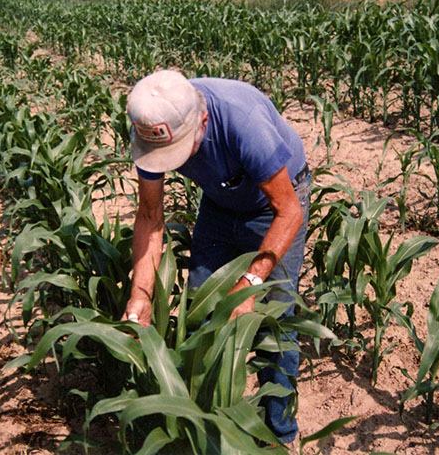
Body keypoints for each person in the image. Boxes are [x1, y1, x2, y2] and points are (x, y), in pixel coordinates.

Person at [122, 69, 310, 448]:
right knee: (201, 312)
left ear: (202, 121)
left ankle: (278, 436)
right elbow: (149, 216)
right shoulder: (151, 127)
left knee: (275, 322)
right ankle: (204, 428)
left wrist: (250, 283)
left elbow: (288, 210)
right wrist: (140, 294)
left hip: (273, 206)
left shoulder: (243, 121)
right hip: (220, 203)